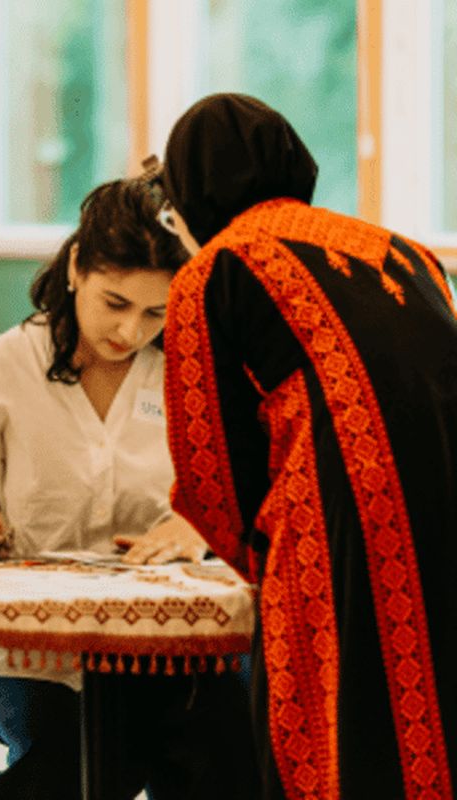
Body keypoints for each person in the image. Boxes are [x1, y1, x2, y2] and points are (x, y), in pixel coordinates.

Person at [159, 92, 457, 799]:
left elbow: (210, 467)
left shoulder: (215, 269)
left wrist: (259, 559)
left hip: (344, 517)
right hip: (447, 493)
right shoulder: (403, 250)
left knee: (337, 733)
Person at [0, 178, 256, 799]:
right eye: (115, 302)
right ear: (76, 267)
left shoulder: (190, 374)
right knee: (80, 752)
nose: (131, 331)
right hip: (30, 652)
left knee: (225, 738)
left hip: (167, 643)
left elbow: (238, 497)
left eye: (157, 312)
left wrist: (196, 524)